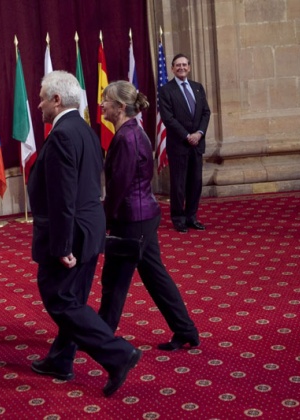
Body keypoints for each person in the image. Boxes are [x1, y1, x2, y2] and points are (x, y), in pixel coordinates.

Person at [27, 70, 141, 397]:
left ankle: (118, 353)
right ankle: (60, 359)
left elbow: (64, 196)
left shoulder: (63, 134)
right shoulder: (88, 131)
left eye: (41, 98)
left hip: (70, 234)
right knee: (73, 298)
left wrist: (62, 246)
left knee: (59, 298)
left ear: (57, 100)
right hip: (89, 230)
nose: (38, 105)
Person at [99, 81, 200, 351]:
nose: (102, 105)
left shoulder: (127, 137)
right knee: (154, 277)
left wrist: (105, 220)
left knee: (115, 282)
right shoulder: (131, 133)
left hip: (132, 220)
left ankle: (99, 339)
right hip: (140, 217)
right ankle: (186, 330)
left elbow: (119, 184)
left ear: (120, 107)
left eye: (106, 100)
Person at [158, 53, 211, 233]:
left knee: (195, 183)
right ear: (172, 68)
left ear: (189, 67)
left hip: (197, 144)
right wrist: (187, 135)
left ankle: (191, 217)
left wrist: (199, 133)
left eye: (184, 65)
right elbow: (168, 118)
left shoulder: (197, 87)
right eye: (177, 65)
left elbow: (206, 112)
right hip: (179, 145)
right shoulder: (166, 90)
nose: (181, 68)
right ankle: (178, 218)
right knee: (179, 185)